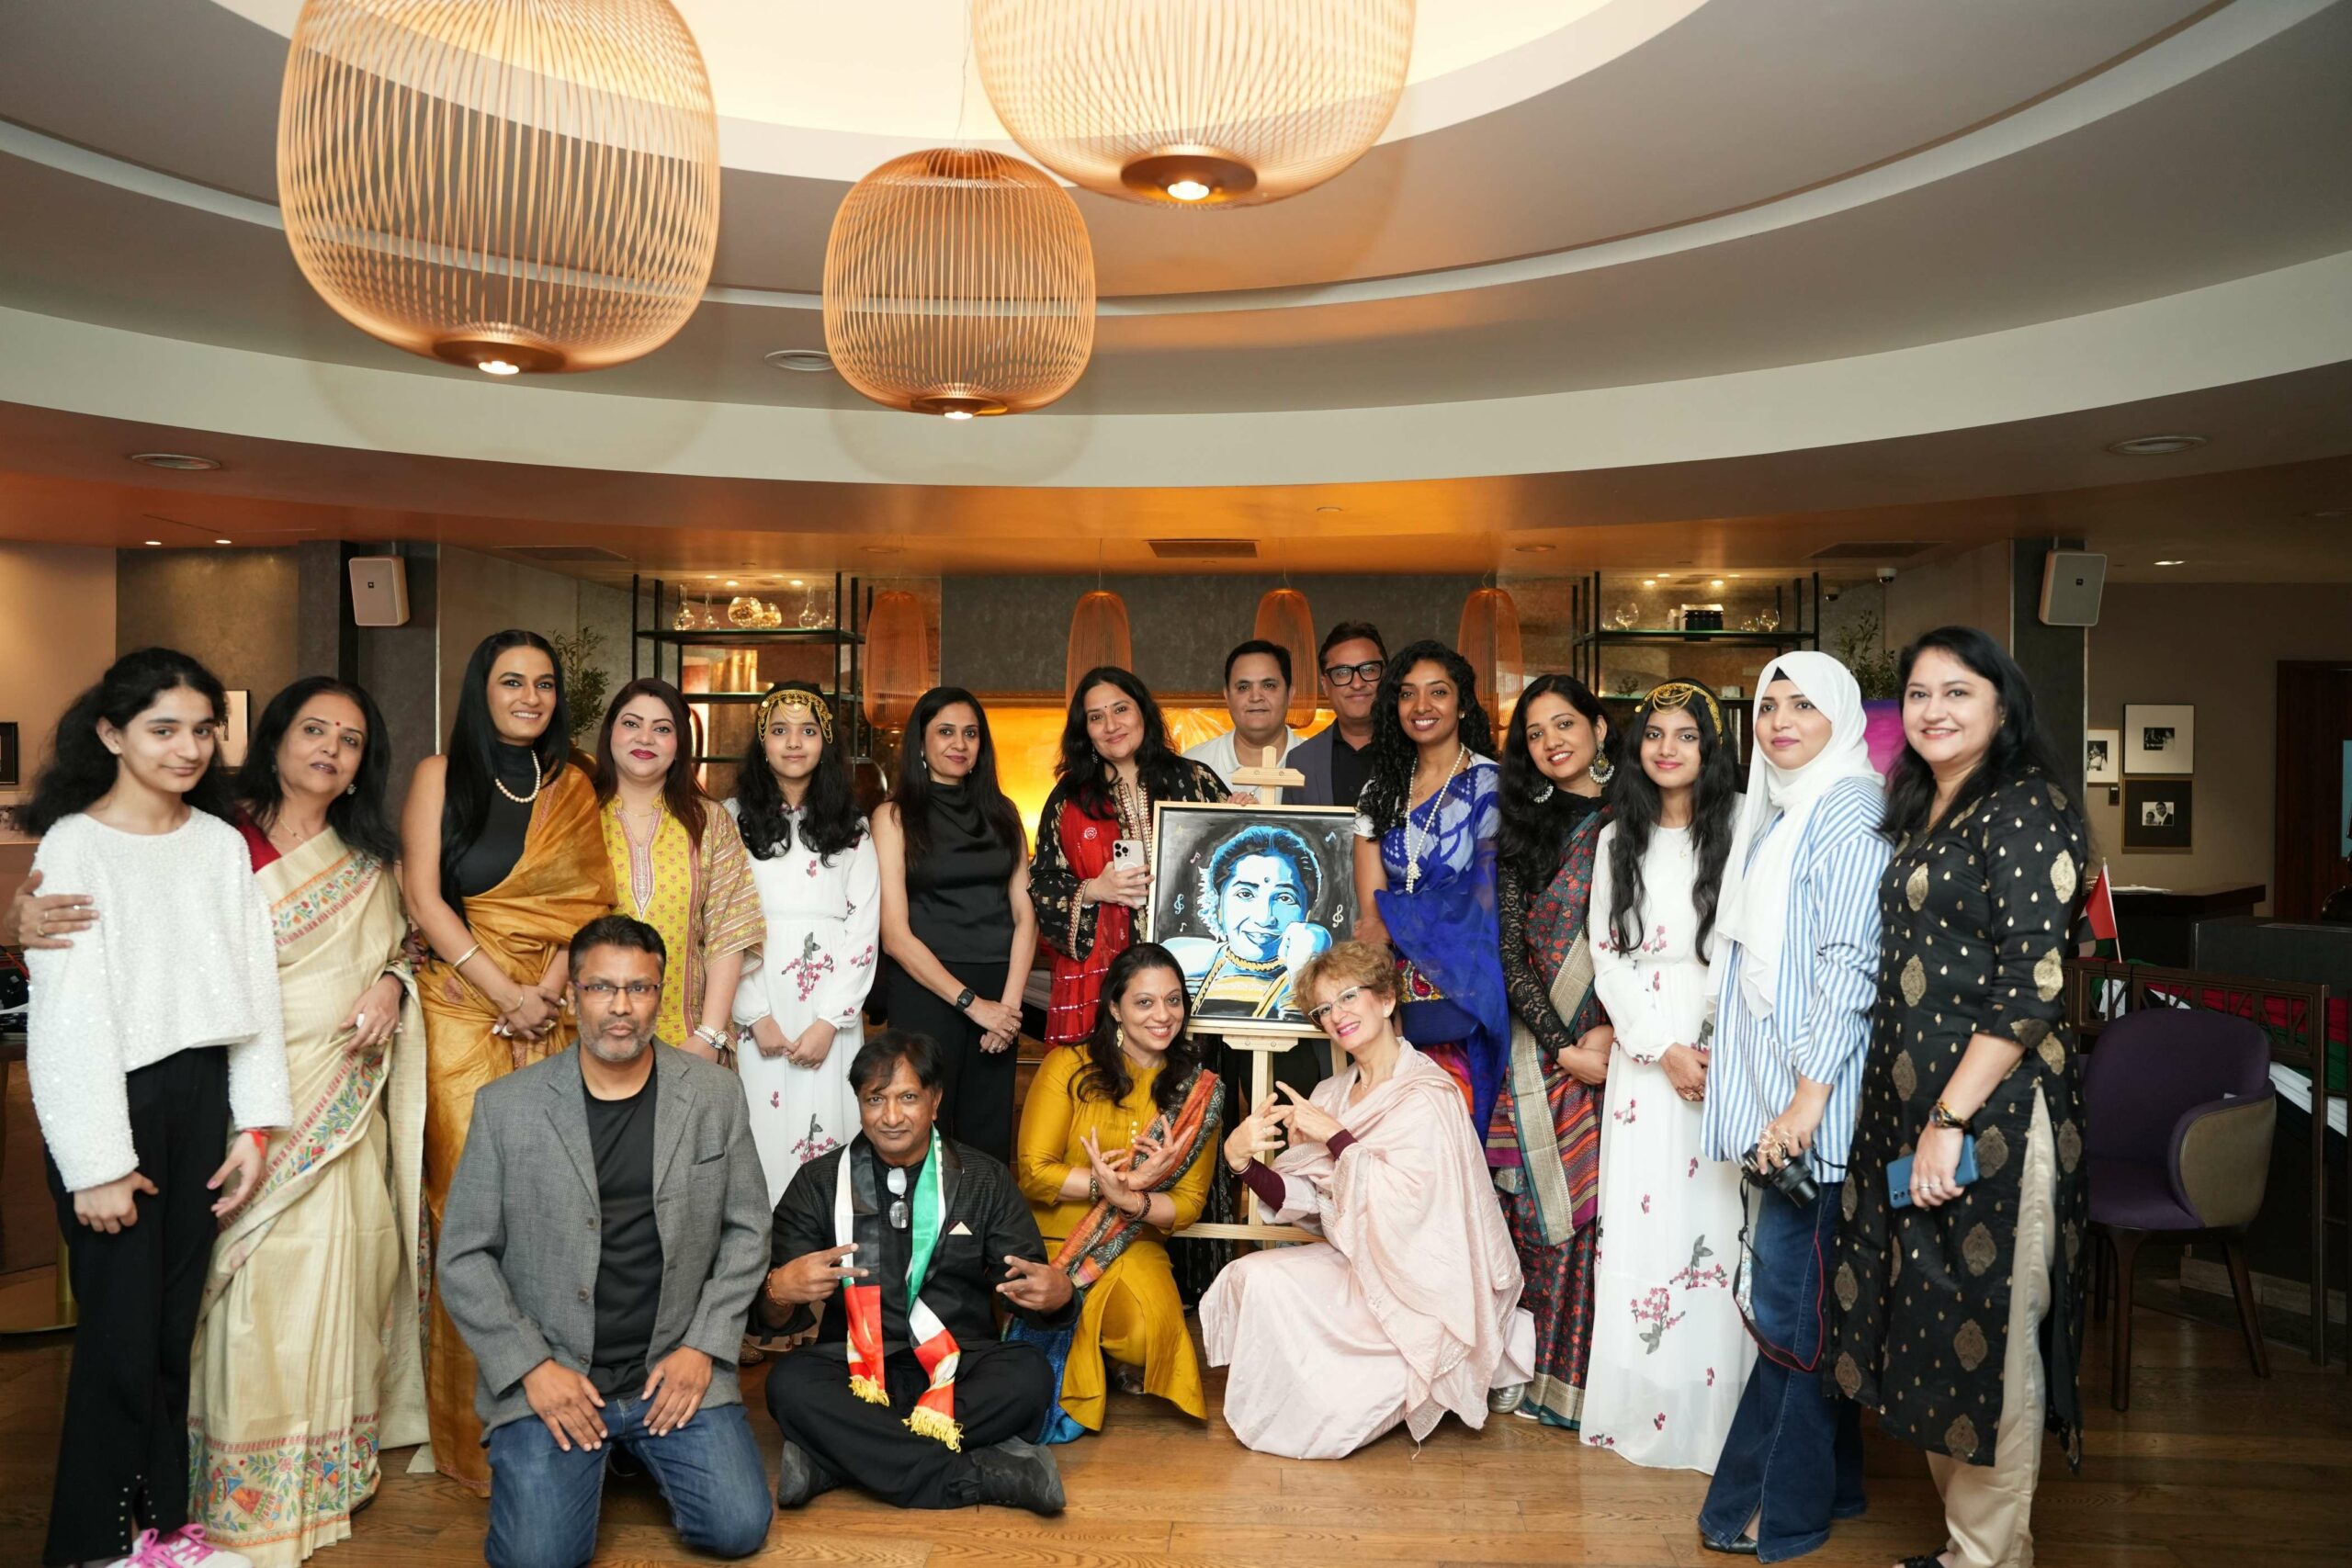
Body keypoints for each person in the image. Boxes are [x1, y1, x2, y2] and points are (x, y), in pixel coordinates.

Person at [21, 648, 291, 1568]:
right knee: (118, 1339)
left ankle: (161, 1533)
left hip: (201, 1097)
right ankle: (92, 1545)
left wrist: (254, 1123)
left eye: (203, 729)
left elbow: (256, 990)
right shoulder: (74, 845)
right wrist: (97, 1163)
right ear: (111, 734)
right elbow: (67, 1023)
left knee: (173, 1333)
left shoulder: (219, 843)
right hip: (112, 1105)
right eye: (163, 729)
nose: (188, 748)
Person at [1827, 627, 2091, 1568]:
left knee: (1993, 1343)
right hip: (1913, 1114)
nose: (1933, 709)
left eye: (1958, 691)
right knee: (1937, 1330)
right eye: (1919, 693)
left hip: (1994, 1120)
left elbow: (2032, 984)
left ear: (2001, 705)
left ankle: (1987, 1558)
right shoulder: (1929, 806)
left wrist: (1948, 1119)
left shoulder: (2027, 807)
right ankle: (1966, 1549)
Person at [436, 916, 773, 1568]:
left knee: (737, 1527)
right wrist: (531, 1367)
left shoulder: (714, 1094)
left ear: (659, 994)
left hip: (672, 1367)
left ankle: (633, 1451)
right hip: (556, 1371)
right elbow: (464, 1256)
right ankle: (609, 1455)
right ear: (573, 996)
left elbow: (748, 1228)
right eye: (601, 988)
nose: (621, 1006)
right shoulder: (507, 1106)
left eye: (639, 988)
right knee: (537, 1559)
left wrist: (703, 1345)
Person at [187, 678, 430, 1565]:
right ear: (277, 740)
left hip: (345, 1107)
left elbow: (407, 946)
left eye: (351, 739)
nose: (330, 748)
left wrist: (392, 984)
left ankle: (325, 1471)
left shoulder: (368, 859)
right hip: (242, 1101)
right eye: (314, 730)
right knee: (253, 1293)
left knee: (345, 1275)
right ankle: (240, 1483)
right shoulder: (215, 839)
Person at [400, 629, 616, 1490]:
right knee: (467, 1210)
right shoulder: (439, 774)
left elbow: (587, 904)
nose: (530, 696)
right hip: (462, 1010)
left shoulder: (573, 785)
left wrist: (547, 992)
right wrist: (502, 992)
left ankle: (564, 1413)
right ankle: (469, 1432)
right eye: (512, 681)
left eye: (544, 683)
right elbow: (423, 895)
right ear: (481, 689)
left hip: (550, 1014)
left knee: (555, 1210)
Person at [1696, 653, 1888, 1560]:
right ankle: (1835, 1487)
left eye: (1803, 703)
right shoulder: (1785, 806)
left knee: (1789, 1319)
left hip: (1815, 1115)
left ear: (1839, 716)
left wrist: (1806, 1102)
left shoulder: (1847, 807)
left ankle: (1774, 1510)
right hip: (1787, 1105)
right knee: (1811, 1303)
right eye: (1769, 704)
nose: (1779, 719)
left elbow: (1849, 963)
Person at [1201, 941, 1532, 1460]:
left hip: (1420, 1280)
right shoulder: (1330, 1095)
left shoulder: (1428, 1093)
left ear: (1386, 999)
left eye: (1348, 997)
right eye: (1323, 1008)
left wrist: (1336, 1137)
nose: (1336, 1015)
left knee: (1337, 1419)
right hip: (1358, 1261)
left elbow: (1417, 1212)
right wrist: (1241, 1163)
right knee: (1251, 1277)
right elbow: (1314, 1200)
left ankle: (1479, 1356)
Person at [759, 1031, 1075, 1514]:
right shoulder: (820, 1183)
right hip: (856, 1369)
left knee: (1028, 1375)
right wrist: (778, 1290)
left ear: (935, 1100)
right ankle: (985, 1474)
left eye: (907, 1098)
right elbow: (773, 1317)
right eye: (875, 1099)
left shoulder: (983, 1178)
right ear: (858, 1103)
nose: (891, 1117)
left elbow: (1029, 1293)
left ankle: (838, 1459)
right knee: (789, 1385)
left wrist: (1059, 1295)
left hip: (962, 1365)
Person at [1582, 680, 1753, 1470]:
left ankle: (1720, 1409)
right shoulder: (1617, 837)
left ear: (1709, 748)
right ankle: (1649, 1401)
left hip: (1731, 1038)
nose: (1667, 748)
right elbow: (1607, 957)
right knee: (1648, 1223)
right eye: (1654, 733)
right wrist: (1664, 1047)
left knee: (1719, 1220)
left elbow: (1755, 947)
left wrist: (1711, 1043)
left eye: (1686, 734)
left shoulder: (1746, 824)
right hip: (1645, 1051)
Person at [1012, 942, 1225, 1438]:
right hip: (1052, 1236)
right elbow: (1035, 1173)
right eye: (1144, 1002)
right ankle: (1089, 1355)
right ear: (1115, 1008)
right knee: (1051, 1321)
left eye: (1173, 1000)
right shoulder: (1068, 1066)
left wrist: (1132, 1200)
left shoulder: (1198, 1094)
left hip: (1131, 1237)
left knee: (1147, 1336)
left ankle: (1103, 1351)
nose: (1163, 1015)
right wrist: (1107, 1184)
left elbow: (1188, 1205)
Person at [1490, 673, 1618, 1429]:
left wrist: (1613, 1036)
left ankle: (1595, 1383)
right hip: (1539, 1053)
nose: (1551, 742)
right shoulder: (1523, 831)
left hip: (1622, 1049)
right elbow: (1511, 955)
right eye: (1535, 733)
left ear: (1598, 726)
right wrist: (1564, 1047)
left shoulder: (1636, 818)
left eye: (1564, 723)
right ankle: (1529, 1372)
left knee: (1604, 1216)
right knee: (1534, 1217)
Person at [871, 687, 1036, 1167]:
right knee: (920, 1132)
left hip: (999, 994)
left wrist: (1007, 1010)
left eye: (970, 733)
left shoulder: (1004, 813)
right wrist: (973, 1005)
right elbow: (895, 936)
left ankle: (981, 1221)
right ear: (921, 742)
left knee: (987, 1139)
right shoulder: (893, 816)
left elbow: (1025, 916)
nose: (959, 744)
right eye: (945, 731)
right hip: (926, 990)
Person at [729, 682, 878, 1208]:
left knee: (829, 1133)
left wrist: (829, 1022)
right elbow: (720, 922)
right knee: (756, 1135)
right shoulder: (728, 820)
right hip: (756, 997)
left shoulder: (853, 827)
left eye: (808, 730)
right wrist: (754, 1015)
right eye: (780, 730)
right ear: (762, 741)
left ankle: (826, 1253)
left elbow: (864, 929)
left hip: (829, 1007)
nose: (794, 742)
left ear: (826, 741)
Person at [1351, 640, 1510, 1131]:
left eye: (1438, 692)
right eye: (1407, 694)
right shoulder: (1380, 789)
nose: (1421, 706)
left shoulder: (1491, 784)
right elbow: (1370, 915)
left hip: (1463, 984)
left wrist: (1395, 918)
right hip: (1392, 992)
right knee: (1392, 1129)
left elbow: (1484, 898)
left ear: (1462, 704)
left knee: (1453, 1125)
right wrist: (1384, 928)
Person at [1027, 668, 1225, 1048]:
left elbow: (1238, 857)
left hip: (1192, 970)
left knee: (1185, 1079)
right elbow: (1042, 884)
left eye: (1121, 709)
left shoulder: (1194, 780)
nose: (1111, 725)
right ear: (1084, 730)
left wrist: (1243, 813)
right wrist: (1092, 890)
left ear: (1143, 713)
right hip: (1108, 977)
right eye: (1096, 717)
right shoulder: (1069, 798)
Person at [593, 679, 762, 1064]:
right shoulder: (578, 815)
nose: (645, 738)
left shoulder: (709, 822)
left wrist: (709, 1036)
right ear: (610, 732)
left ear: (680, 744)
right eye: (631, 723)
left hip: (687, 1037)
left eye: (662, 729)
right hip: (588, 1037)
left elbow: (728, 933)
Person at [1164, 822, 1335, 1022]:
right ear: (1217, 905)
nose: (1264, 918)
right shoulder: (1180, 963)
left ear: (1307, 912)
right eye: (1245, 894)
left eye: (1284, 898)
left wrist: (1304, 973)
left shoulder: (1328, 978)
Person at [1183, 639, 1306, 805]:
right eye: (1243, 687)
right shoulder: (1192, 767)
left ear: (1290, 695)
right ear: (1227, 696)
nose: (1255, 697)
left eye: (1269, 685)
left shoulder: (1319, 764)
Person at [1289, 622, 1386, 810]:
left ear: (1385, 676)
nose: (1357, 684)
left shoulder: (1415, 751)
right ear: (1325, 685)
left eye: (1368, 670)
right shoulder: (1300, 760)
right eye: (1342, 673)